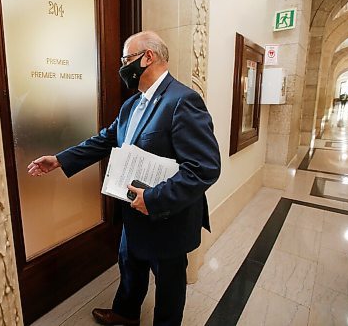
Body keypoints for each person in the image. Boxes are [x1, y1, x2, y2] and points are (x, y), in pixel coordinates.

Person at [27, 31, 221, 326]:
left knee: (169, 286)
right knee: (130, 265)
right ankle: (126, 314)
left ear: (148, 57)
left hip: (168, 215)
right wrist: (60, 160)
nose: (122, 67)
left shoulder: (183, 100)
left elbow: (204, 167)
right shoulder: (132, 105)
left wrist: (153, 200)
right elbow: (105, 140)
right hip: (133, 208)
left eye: (126, 59)